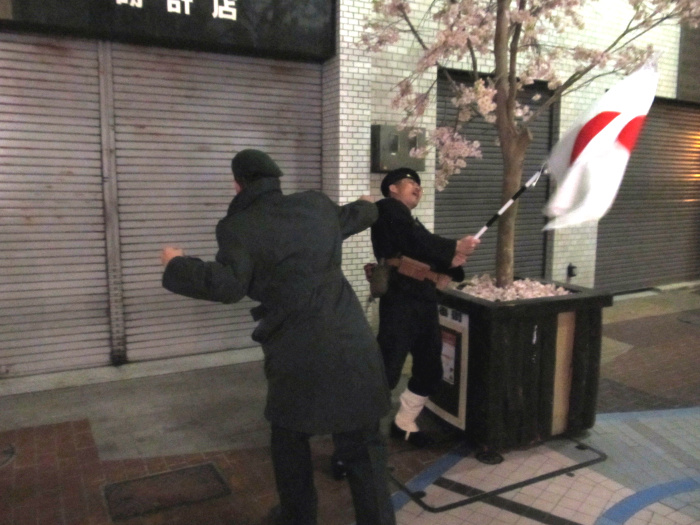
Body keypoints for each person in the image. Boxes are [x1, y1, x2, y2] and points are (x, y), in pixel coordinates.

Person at [160, 149, 396, 525]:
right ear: (276, 179)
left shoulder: (239, 227)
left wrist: (176, 264)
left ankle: (297, 518)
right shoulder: (315, 206)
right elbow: (359, 215)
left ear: (238, 184)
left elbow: (228, 284)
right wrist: (368, 203)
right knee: (364, 444)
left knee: (290, 439)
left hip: (296, 350)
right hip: (351, 338)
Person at [371, 167, 480, 448]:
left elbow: (423, 248)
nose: (417, 187)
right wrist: (454, 246)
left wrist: (453, 261)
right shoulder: (388, 209)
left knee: (430, 367)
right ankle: (361, 430)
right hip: (400, 301)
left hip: (423, 301)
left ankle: (404, 422)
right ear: (392, 188)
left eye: (419, 185)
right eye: (410, 182)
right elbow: (415, 242)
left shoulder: (411, 223)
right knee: (387, 368)